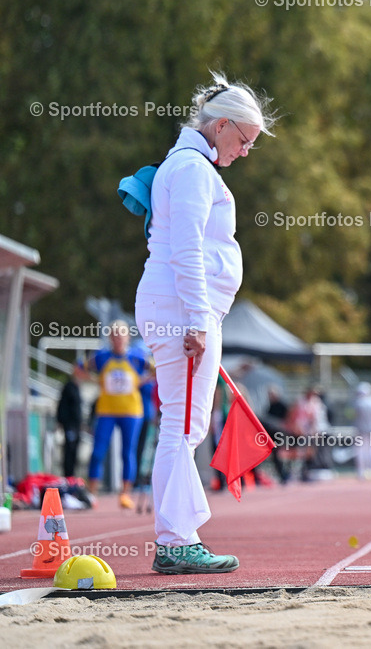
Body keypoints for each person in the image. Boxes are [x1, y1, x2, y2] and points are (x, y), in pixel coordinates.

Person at [135, 72, 275, 574]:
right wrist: (197, 319)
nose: (244, 151)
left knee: (182, 424)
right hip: (182, 311)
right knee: (182, 426)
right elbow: (187, 248)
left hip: (178, 309)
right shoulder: (193, 168)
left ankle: (179, 536)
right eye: (243, 140)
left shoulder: (187, 164)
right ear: (220, 127)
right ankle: (175, 540)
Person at [83, 320, 153, 510]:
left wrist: (141, 381)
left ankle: (125, 494)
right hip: (107, 411)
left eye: (121, 335)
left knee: (127, 452)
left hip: (131, 411)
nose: (118, 339)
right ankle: (92, 494)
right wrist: (95, 380)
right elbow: (80, 367)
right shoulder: (102, 357)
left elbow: (156, 370)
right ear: (110, 338)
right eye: (114, 335)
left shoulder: (138, 357)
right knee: (98, 451)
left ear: (127, 337)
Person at [56, 365, 87, 479]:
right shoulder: (69, 387)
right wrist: (61, 421)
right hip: (70, 425)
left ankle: (71, 475)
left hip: (76, 425)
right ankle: (68, 475)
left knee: (74, 450)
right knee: (69, 449)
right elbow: (62, 406)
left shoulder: (77, 387)